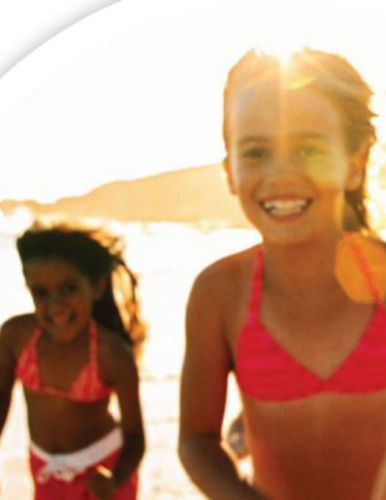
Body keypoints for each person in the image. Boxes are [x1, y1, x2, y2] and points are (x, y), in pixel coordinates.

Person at [178, 46, 386, 500]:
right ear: (229, 170)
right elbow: (195, 441)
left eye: (309, 148)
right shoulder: (219, 295)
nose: (281, 173)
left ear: (354, 163)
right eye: (255, 152)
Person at [0, 221, 146, 499]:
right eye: (40, 292)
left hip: (104, 475)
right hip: (45, 470)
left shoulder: (112, 355)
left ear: (98, 286)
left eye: (69, 289)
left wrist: (114, 480)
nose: (55, 305)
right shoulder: (15, 337)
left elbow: (135, 437)